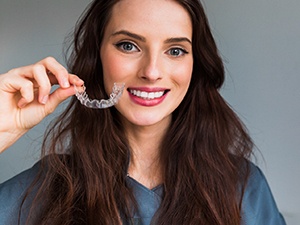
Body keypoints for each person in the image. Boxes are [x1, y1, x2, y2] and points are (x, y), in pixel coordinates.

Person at [0, 0, 286, 224]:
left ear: (195, 64)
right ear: (97, 55)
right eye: (128, 45)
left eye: (175, 50)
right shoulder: (45, 188)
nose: (151, 72)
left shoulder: (245, 188)